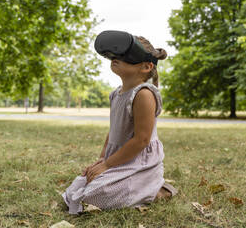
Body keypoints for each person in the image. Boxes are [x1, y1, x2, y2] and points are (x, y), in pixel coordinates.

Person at [61, 33, 177, 215]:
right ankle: (130, 186)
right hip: (118, 159)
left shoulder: (144, 94)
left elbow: (142, 140)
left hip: (139, 163)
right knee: (78, 186)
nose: (116, 59)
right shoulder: (116, 94)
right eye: (115, 55)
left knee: (92, 196)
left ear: (146, 66)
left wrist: (107, 166)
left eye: (125, 56)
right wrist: (102, 159)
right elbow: (114, 131)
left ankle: (155, 190)